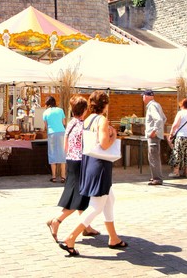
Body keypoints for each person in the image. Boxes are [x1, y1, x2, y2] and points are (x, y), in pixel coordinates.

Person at [58, 91, 127, 256]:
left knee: (109, 199)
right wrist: (114, 136)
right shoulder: (102, 120)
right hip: (100, 166)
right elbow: (104, 144)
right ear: (105, 105)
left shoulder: (87, 119)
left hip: (89, 164)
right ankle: (70, 238)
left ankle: (113, 237)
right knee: (96, 206)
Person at [46, 95, 99, 242]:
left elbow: (66, 145)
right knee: (80, 197)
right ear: (85, 110)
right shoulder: (83, 126)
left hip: (71, 160)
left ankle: (86, 227)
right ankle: (56, 221)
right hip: (80, 162)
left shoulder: (70, 124)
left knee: (79, 196)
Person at [168, 98, 187, 178]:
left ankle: (176, 172)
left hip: (181, 136)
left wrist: (171, 133)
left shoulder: (180, 113)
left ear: (181, 105)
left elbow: (175, 125)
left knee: (177, 153)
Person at [143, 89, 167, 186]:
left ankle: (157, 178)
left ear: (147, 96)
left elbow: (159, 119)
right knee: (154, 156)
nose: (142, 98)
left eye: (143, 96)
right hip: (156, 135)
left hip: (153, 136)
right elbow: (164, 118)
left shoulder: (152, 106)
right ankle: (155, 177)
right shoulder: (157, 105)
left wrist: (154, 130)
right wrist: (159, 129)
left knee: (153, 157)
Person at [43, 96, 66, 183]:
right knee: (62, 153)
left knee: (52, 153)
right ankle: (63, 176)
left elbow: (45, 126)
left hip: (51, 133)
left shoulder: (45, 112)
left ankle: (54, 177)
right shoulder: (60, 110)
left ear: (47, 104)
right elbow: (64, 123)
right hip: (61, 132)